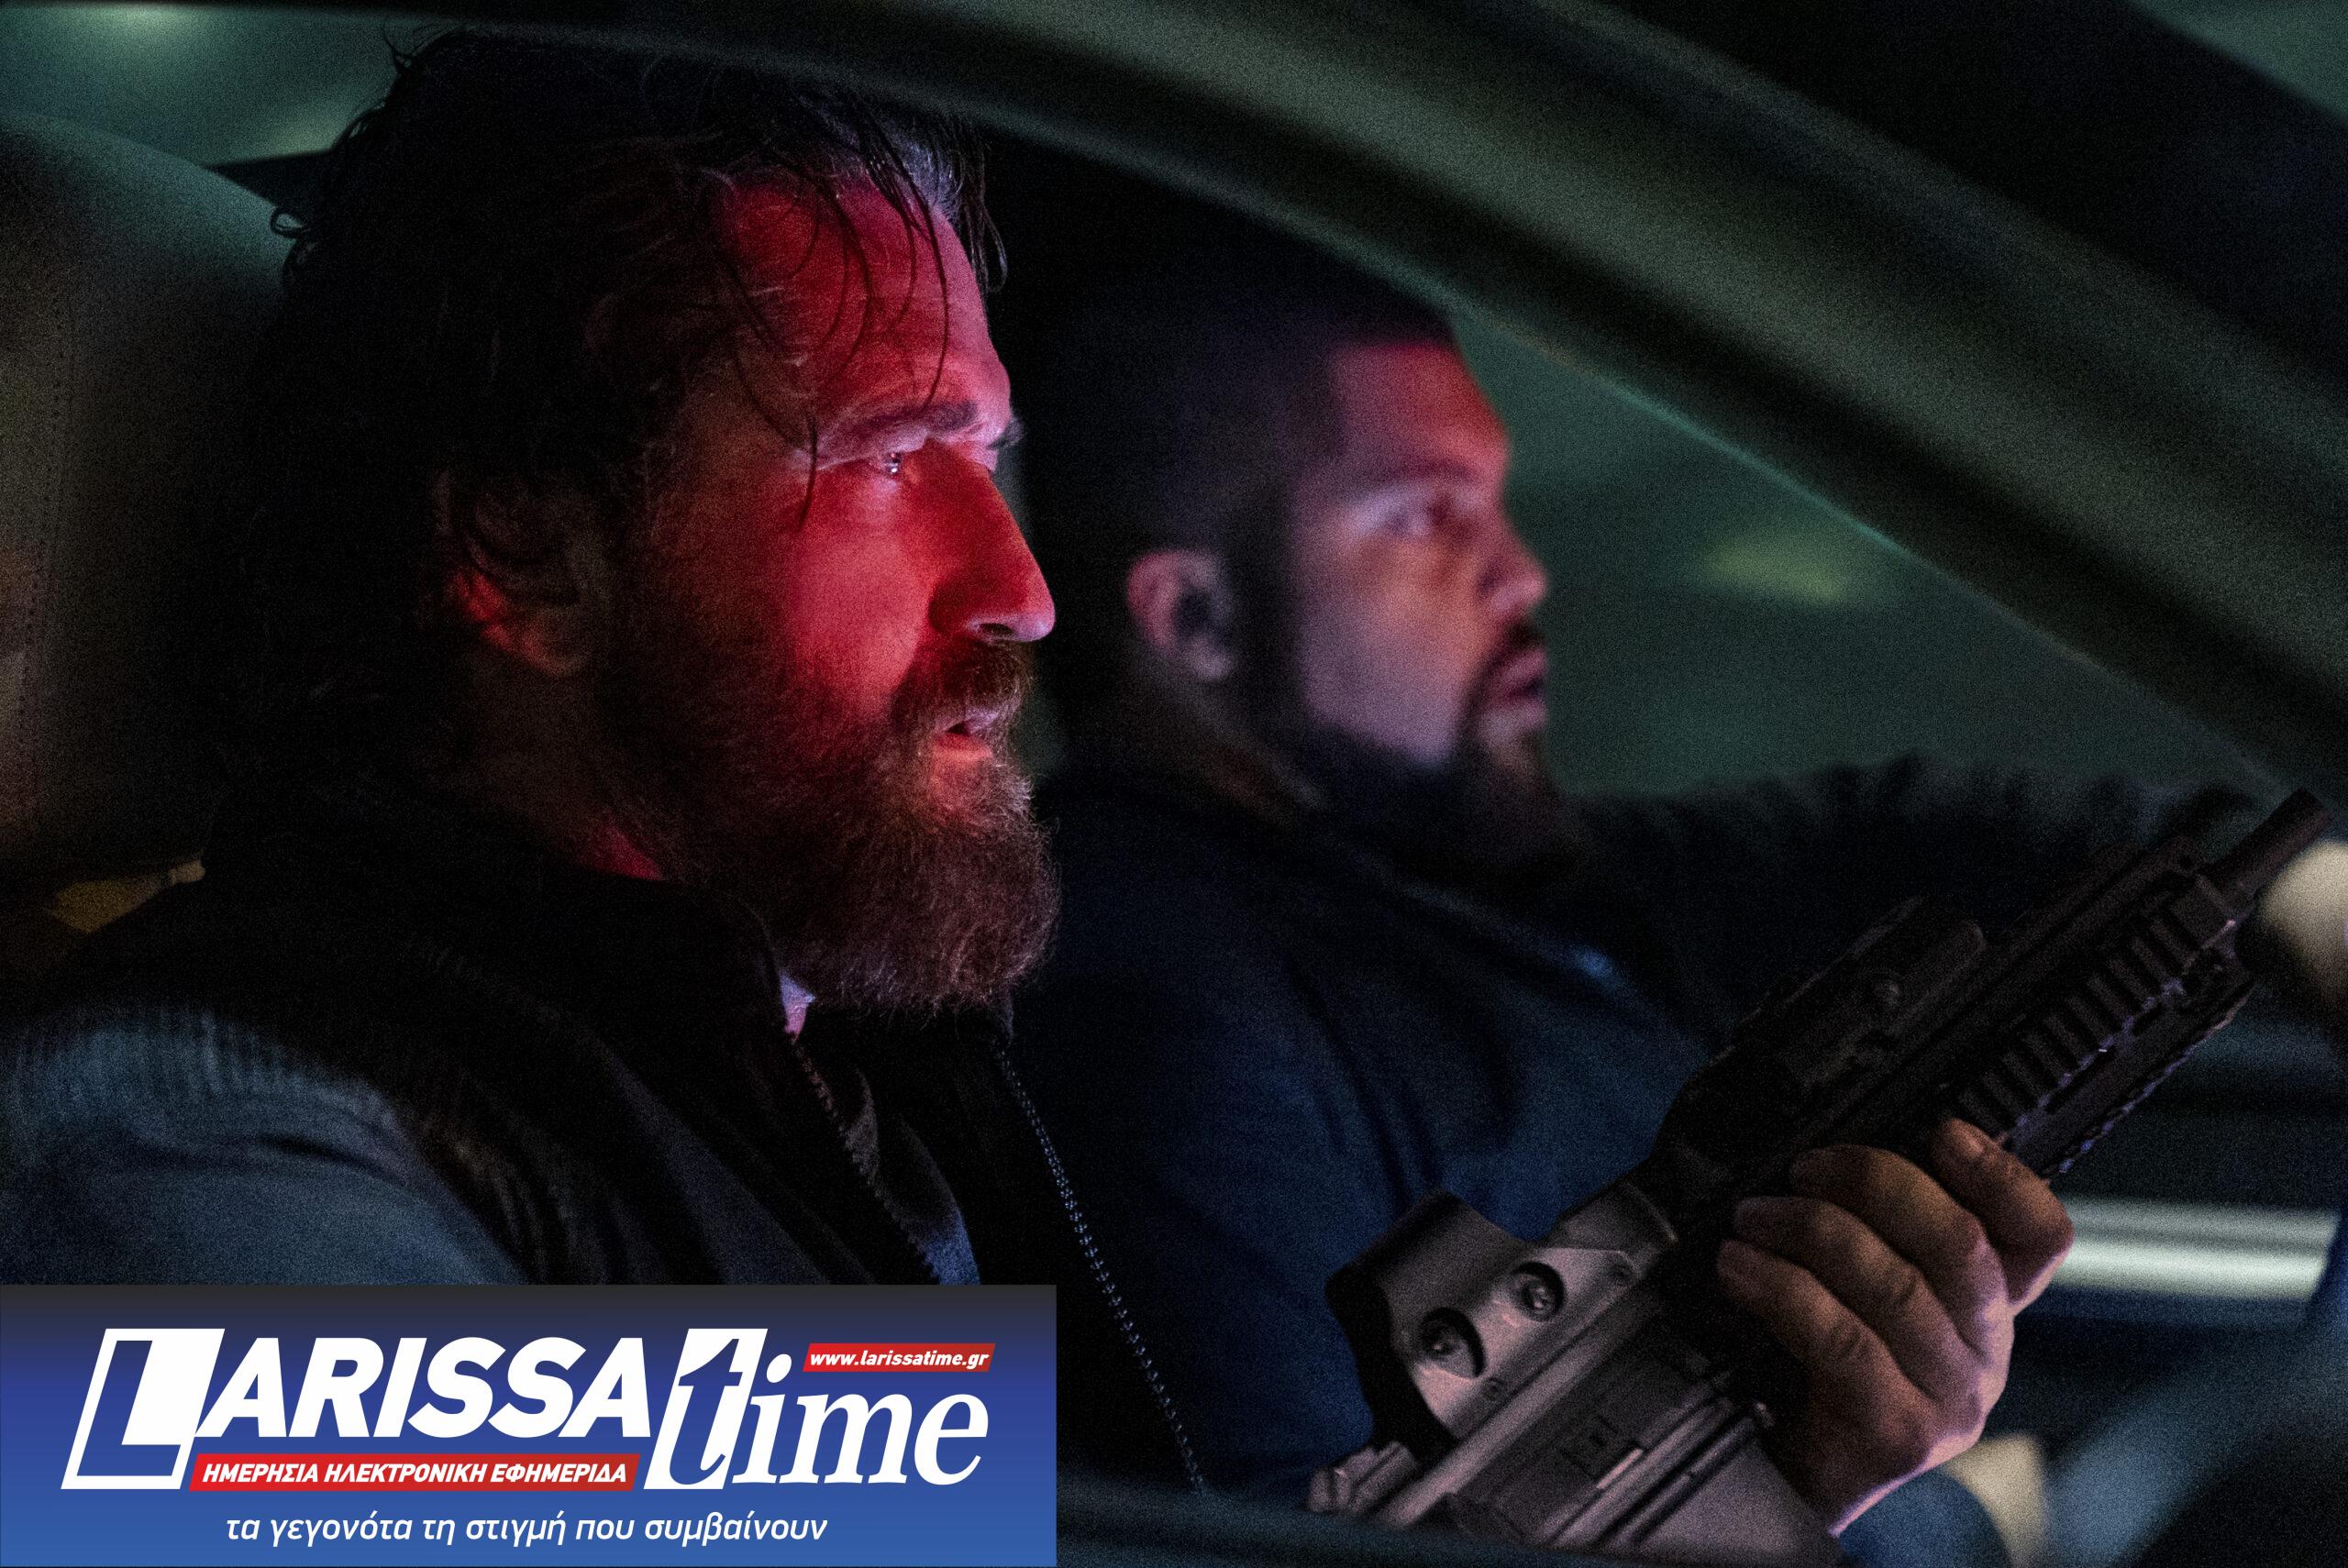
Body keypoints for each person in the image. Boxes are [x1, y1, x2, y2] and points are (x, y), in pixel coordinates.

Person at [1000, 226, 2348, 1548]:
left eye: (1495, 502)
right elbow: (1279, 1537)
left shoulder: (1481, 873)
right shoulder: (1154, 1011)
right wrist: (1951, 1523)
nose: (1520, 572)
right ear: (1197, 621)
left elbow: (1907, 838)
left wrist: (2299, 888)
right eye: (1424, 516)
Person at [0, 31, 1197, 1482]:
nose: (1023, 589)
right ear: (525, 558)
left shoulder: (850, 1063)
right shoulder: (202, 1118)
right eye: (888, 457)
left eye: (986, 455)